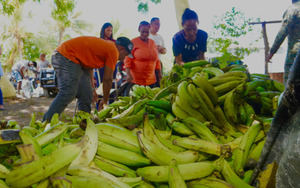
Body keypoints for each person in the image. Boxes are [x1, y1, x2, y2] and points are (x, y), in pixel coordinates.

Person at [43, 36, 133, 121]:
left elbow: (89, 67)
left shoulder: (107, 47)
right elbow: (107, 79)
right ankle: (46, 122)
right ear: (121, 49)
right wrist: (105, 101)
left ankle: (84, 123)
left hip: (76, 61)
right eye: (125, 55)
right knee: (68, 92)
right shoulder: (113, 50)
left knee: (87, 93)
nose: (124, 58)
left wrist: (93, 89)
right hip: (65, 55)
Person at [267, 0, 300, 83]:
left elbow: (283, 31)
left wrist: (272, 52)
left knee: (290, 83)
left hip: (295, 54)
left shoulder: (293, 9)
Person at [124, 21, 161, 88]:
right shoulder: (132, 42)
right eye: (143, 32)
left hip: (151, 80)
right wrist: (128, 75)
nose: (145, 34)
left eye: (147, 32)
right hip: (136, 80)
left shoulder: (152, 43)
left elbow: (157, 60)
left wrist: (159, 75)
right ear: (139, 29)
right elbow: (127, 60)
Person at [149, 17, 166, 86]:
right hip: (148, 64)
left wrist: (162, 49)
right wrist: (155, 48)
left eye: (159, 25)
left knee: (159, 83)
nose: (157, 26)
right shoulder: (146, 35)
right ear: (151, 24)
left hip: (158, 63)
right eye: (156, 24)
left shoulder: (160, 37)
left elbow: (165, 51)